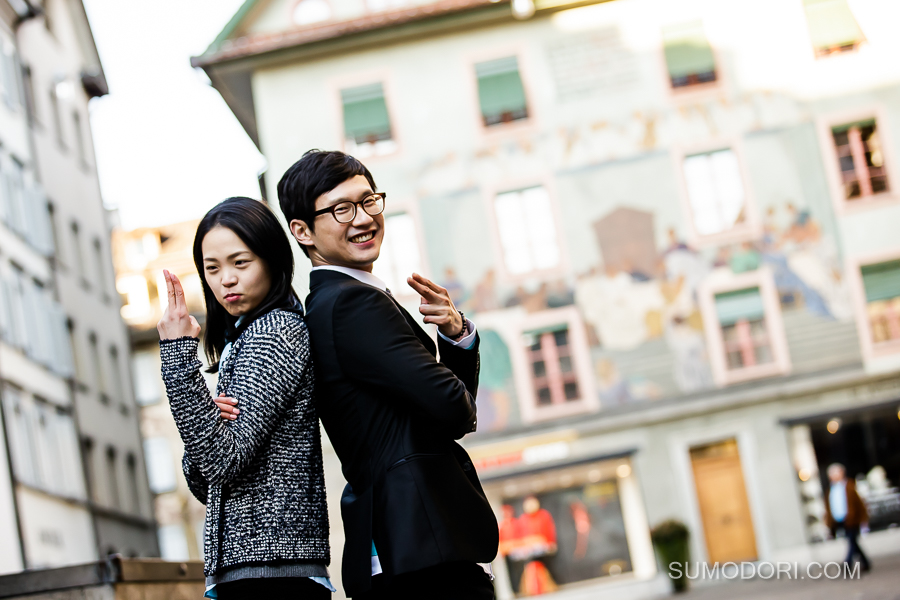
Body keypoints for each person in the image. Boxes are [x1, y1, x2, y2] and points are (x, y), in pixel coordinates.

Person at [275, 150, 499, 599]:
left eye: (368, 201)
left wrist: (455, 334)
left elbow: (445, 412)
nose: (363, 218)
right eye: (341, 209)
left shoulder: (331, 302)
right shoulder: (353, 303)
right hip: (422, 553)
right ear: (302, 231)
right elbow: (454, 410)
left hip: (407, 547)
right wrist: (453, 355)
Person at [158, 197, 332, 599]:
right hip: (254, 572)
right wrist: (206, 420)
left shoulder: (275, 333)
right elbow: (206, 482)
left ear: (272, 260)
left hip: (273, 574)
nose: (226, 280)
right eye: (212, 268)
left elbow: (221, 461)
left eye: (240, 263)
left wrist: (176, 353)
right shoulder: (243, 338)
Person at [824, 463, 870, 573]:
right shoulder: (830, 489)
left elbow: (859, 504)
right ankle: (866, 563)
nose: (833, 476)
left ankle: (847, 564)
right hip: (839, 520)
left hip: (852, 519)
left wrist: (863, 519)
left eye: (835, 473)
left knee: (851, 540)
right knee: (853, 542)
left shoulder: (849, 486)